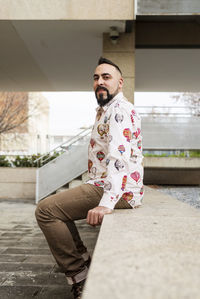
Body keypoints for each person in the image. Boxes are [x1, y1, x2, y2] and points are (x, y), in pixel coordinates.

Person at [35, 57, 144, 299]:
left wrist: (107, 202)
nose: (100, 82)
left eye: (106, 77)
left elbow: (119, 158)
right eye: (96, 78)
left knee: (46, 211)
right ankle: (83, 261)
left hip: (118, 189)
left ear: (120, 83)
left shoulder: (119, 111)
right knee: (58, 209)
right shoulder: (105, 110)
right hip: (107, 185)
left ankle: (79, 275)